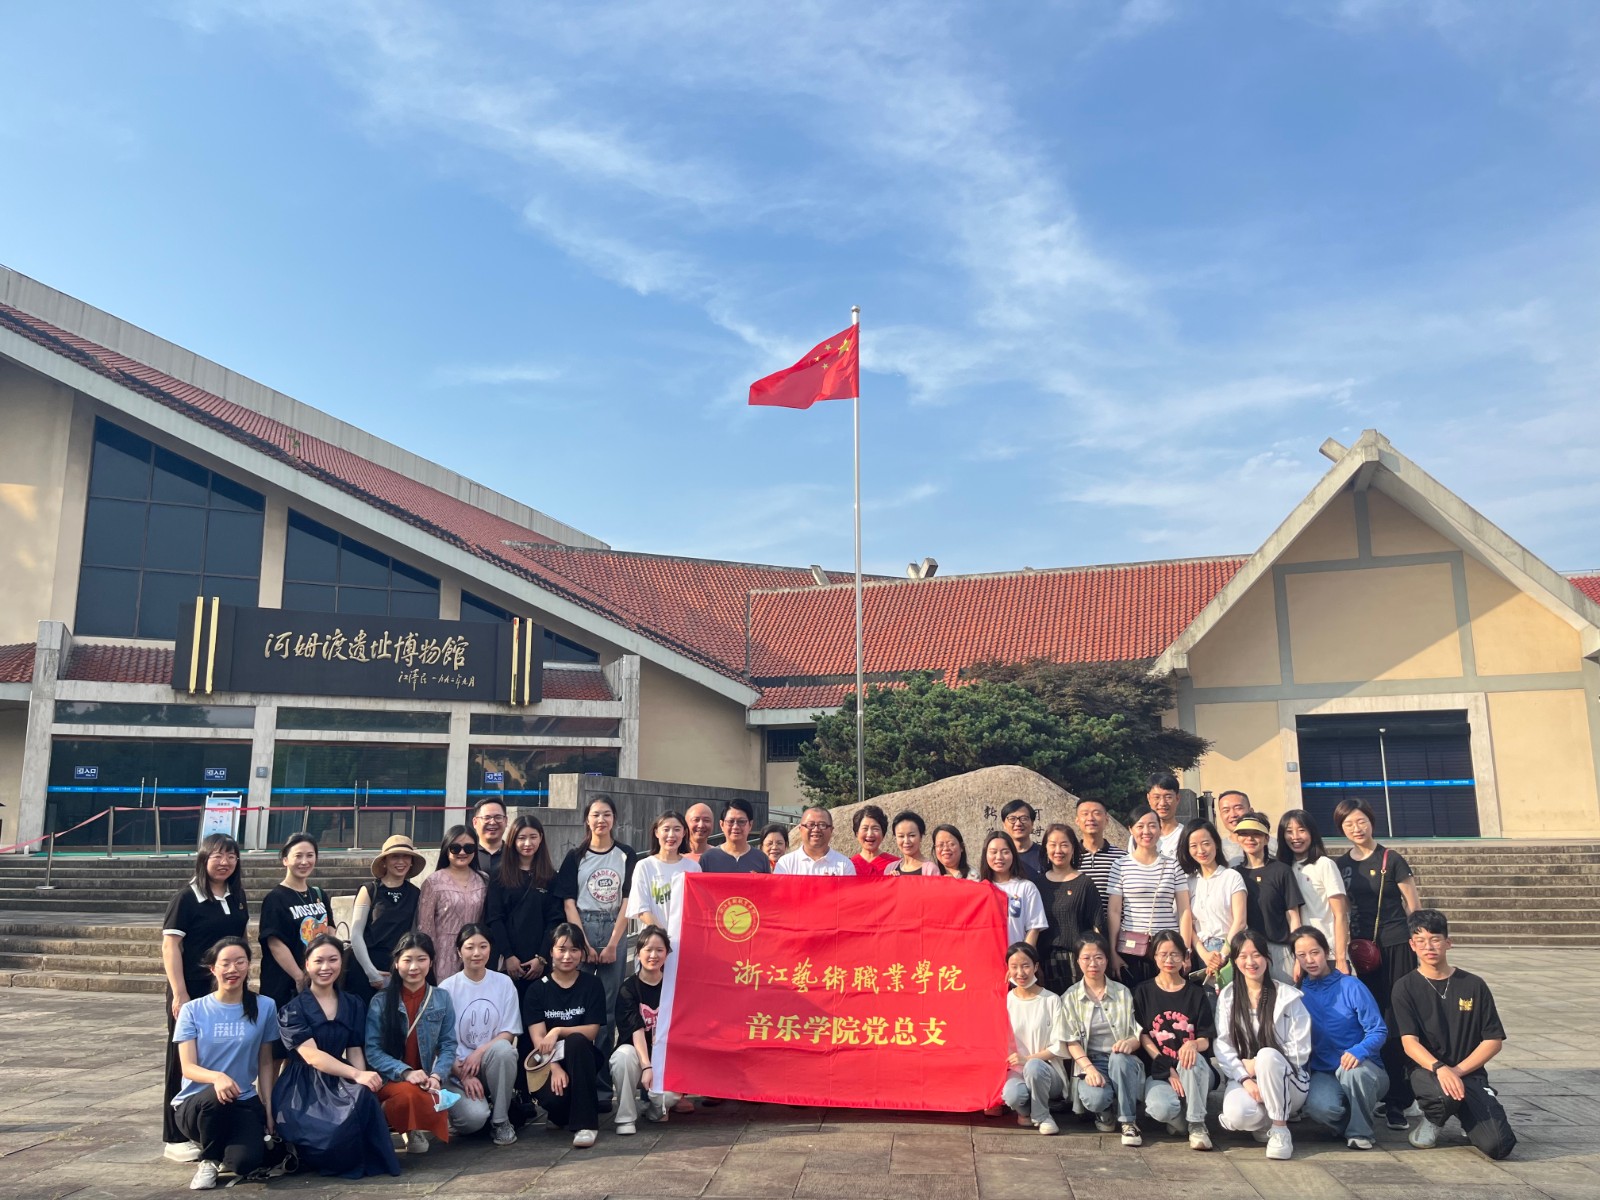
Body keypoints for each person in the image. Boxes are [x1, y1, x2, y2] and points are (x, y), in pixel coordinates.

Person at [275, 934, 401, 1177]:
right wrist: (356, 1074)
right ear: (307, 964)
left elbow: (354, 1049)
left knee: (363, 1097)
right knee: (331, 1133)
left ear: (341, 963)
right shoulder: (293, 1009)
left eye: (333, 960)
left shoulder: (353, 1003)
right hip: (303, 1085)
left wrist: (361, 1078)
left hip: (340, 1076)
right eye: (318, 961)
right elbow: (312, 1056)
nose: (326, 967)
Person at [1393, 910, 1516, 1159]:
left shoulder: (1473, 984)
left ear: (1448, 942)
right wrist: (1440, 1068)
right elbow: (1409, 1043)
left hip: (1468, 1072)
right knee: (1443, 1095)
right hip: (1427, 1071)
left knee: (1499, 1145)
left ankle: (1469, 1113)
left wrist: (1456, 1071)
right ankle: (1434, 1119)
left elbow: (1493, 1041)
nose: (1429, 947)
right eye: (1420, 941)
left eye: (1435, 939)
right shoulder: (1405, 987)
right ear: (1412, 945)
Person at [161, 833, 250, 1162]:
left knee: (221, 1055)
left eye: (231, 856)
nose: (225, 862)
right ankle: (174, 1135)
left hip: (227, 990)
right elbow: (171, 946)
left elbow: (241, 939)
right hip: (193, 990)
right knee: (182, 1060)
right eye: (217, 856)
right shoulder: (187, 897)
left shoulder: (237, 896)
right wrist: (180, 992)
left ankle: (209, 1129)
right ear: (203, 859)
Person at [1334, 797, 1421, 1131]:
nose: (1356, 829)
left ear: (1371, 821)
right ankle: (1381, 1085)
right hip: (1362, 951)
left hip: (1396, 944)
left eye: (1361, 821)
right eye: (1348, 824)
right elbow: (1342, 911)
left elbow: (1414, 906)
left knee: (1397, 1016)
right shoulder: (1341, 865)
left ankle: (1399, 1098)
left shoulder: (1391, 859)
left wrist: (1421, 944)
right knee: (1371, 1018)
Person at [170, 937, 278, 1190]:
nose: (233, 969)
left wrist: (268, 1107)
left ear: (248, 965)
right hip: (197, 1105)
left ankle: (221, 1151)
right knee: (215, 1096)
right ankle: (208, 1160)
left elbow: (265, 1063)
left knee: (246, 1162)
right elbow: (188, 1067)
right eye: (226, 963)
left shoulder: (265, 1006)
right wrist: (217, 1077)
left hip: (242, 1101)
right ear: (213, 968)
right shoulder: (193, 1010)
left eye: (240, 962)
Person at [554, 794, 638, 1097]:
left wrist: (613, 944)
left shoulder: (626, 854)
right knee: (578, 1006)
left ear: (614, 819)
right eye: (595, 815)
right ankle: (577, 1082)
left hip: (615, 926)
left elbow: (628, 900)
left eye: (606, 814)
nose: (601, 820)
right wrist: (584, 944)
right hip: (583, 927)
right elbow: (569, 902)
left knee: (607, 1010)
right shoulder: (575, 856)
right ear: (586, 820)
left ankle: (602, 1088)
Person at [1214, 929, 1312, 1160]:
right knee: (1236, 1114)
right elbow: (1224, 1045)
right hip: (1247, 1078)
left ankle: (1280, 1129)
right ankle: (1263, 1124)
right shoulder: (1228, 997)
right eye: (1243, 956)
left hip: (1289, 1080)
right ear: (1235, 961)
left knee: (1267, 1055)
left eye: (1256, 954)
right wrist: (1245, 1079)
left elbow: (1300, 1050)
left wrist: (1258, 1064)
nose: (1250, 962)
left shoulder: (1287, 996)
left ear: (1267, 958)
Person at [1293, 926, 1388, 1151]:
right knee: (1318, 1108)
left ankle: (1360, 1133)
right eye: (1302, 955)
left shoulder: (1351, 986)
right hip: (1325, 1072)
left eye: (1315, 952)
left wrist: (1359, 1051)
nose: (1310, 960)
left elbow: (1378, 1030)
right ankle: (1354, 1120)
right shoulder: (1297, 994)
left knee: (1353, 1073)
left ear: (1326, 951)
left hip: (1365, 1068)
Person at [365, 931, 457, 1154]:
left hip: (425, 1079)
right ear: (397, 963)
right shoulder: (380, 1001)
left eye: (421, 959)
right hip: (389, 1079)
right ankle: (392, 1117)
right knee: (408, 1095)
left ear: (431, 962)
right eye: (407, 960)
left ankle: (408, 1121)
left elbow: (448, 1044)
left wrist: (437, 1076)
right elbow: (372, 1051)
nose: (414, 967)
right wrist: (405, 1072)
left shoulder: (442, 998)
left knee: (449, 1104)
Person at [1050, 932, 1144, 1146]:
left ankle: (1128, 1122)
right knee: (1096, 1099)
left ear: (1107, 960)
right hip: (1091, 1061)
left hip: (1122, 1059)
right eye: (1086, 958)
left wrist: (1129, 1043)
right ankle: (1105, 1110)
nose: (1093, 963)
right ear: (1078, 961)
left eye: (1099, 957)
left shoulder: (1122, 992)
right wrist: (1089, 1069)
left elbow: (1137, 1033)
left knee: (1119, 1059)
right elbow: (1070, 1040)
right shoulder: (1070, 997)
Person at [522, 922, 606, 1148]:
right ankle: (563, 1114)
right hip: (548, 1062)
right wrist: (555, 1067)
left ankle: (586, 1125)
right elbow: (538, 1038)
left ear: (582, 953)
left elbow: (592, 1031)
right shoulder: (537, 990)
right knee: (557, 1104)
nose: (567, 956)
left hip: (582, 1058)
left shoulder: (592, 984)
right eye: (561, 949)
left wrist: (558, 1030)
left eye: (574, 950)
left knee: (576, 1040)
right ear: (551, 951)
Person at [438, 924, 522, 1146]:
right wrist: (463, 1074)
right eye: (469, 947)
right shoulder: (446, 989)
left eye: (483, 946)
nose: (476, 953)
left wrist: (479, 1053)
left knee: (505, 1050)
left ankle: (501, 1121)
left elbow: (508, 1032)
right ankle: (459, 1113)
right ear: (459, 951)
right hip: (456, 1069)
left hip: (488, 1062)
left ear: (490, 949)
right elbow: (440, 1042)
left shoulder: (504, 983)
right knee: (473, 1121)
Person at [1133, 930, 1215, 1151]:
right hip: (1160, 1070)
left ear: (1185, 957)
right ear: (1154, 956)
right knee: (1160, 1108)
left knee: (1191, 1059)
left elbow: (1206, 1039)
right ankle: (1181, 1122)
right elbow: (1143, 1035)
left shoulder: (1196, 993)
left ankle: (1197, 1125)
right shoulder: (1142, 992)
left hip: (1195, 1071)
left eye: (1175, 954)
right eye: (1163, 954)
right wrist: (1167, 1068)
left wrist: (1193, 1044)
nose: (1169, 960)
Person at [1107, 805, 1191, 987]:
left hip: (1168, 946)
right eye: (1140, 826)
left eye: (1152, 825)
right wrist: (1112, 952)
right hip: (1131, 948)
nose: (1146, 831)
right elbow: (1114, 911)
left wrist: (1185, 951)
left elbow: (1184, 910)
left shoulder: (1173, 865)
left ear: (1160, 829)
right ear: (1131, 829)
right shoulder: (1120, 866)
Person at [610, 926, 684, 1133]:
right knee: (622, 1057)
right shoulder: (628, 989)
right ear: (638, 952)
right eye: (648, 949)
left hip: (667, 1056)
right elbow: (637, 1030)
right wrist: (646, 1066)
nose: (653, 955)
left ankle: (654, 1110)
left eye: (659, 950)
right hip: (637, 1053)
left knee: (668, 1098)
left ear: (667, 954)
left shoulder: (674, 987)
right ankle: (626, 1117)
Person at [485, 814, 562, 991]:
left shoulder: (550, 876)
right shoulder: (499, 875)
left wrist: (541, 957)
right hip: (507, 961)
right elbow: (495, 918)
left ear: (541, 838)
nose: (528, 843)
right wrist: (508, 955)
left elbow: (554, 920)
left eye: (533, 837)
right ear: (513, 840)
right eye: (521, 838)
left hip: (539, 962)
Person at [258, 833, 333, 1013]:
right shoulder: (275, 898)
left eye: (310, 855)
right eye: (298, 856)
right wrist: (300, 977)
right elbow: (275, 943)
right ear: (285, 860)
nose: (304, 861)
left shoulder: (319, 894)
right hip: (285, 984)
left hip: (318, 979)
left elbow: (330, 928)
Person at [348, 835, 424, 1008]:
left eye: (406, 856)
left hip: (398, 968)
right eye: (395, 856)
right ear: (384, 861)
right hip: (366, 964)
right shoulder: (369, 890)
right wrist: (370, 971)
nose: (401, 861)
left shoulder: (415, 893)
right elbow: (356, 934)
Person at [998, 943, 1067, 1134]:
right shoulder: (1005, 1001)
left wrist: (1027, 1059)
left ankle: (1043, 1116)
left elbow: (1059, 1046)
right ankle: (1026, 1111)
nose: (1020, 973)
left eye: (1026, 966)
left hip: (1047, 1072)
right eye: (1014, 967)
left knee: (1034, 1066)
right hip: (1015, 1071)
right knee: (1012, 1095)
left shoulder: (1051, 1000)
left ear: (1036, 966)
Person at [1232, 814, 1303, 983]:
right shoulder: (1234, 874)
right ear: (1237, 839)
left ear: (1266, 839)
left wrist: (1298, 955)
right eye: (1244, 834)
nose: (1250, 839)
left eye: (1256, 834)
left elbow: (1293, 917)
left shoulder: (1282, 871)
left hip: (1280, 951)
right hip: (1247, 952)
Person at [1278, 810, 1350, 976]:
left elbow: (1340, 914)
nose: (1295, 837)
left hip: (1327, 954)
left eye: (1301, 830)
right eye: (1289, 831)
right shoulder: (1283, 869)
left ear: (1312, 833)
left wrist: (1340, 958)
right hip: (1300, 955)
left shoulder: (1324, 864)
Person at [1177, 818, 1246, 987]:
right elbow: (1188, 922)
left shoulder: (1231, 877)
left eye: (1206, 843)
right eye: (1193, 846)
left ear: (1216, 844)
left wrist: (1222, 955)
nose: (1201, 850)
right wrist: (1204, 954)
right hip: (1202, 954)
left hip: (1231, 949)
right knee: (1210, 1000)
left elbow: (1240, 921)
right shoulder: (1188, 882)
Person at [1036, 822, 1102, 993]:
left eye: (1064, 845)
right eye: (1053, 845)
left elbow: (1097, 926)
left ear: (1073, 848)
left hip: (1078, 961)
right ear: (1045, 848)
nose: (1058, 850)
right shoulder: (1037, 884)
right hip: (1045, 962)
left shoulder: (1085, 883)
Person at [418, 825, 488, 982]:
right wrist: (429, 959)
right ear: (446, 849)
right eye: (455, 848)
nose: (462, 852)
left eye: (468, 848)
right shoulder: (433, 882)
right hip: (443, 953)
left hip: (475, 953)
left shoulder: (483, 880)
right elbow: (425, 927)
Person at [626, 810, 702, 936]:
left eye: (677, 829)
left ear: (684, 833)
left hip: (684, 939)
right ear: (657, 832)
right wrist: (664, 937)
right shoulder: (644, 866)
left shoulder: (693, 868)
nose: (671, 835)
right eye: (666, 829)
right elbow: (641, 909)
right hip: (653, 940)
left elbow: (697, 909)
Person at [978, 831, 1048, 946]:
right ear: (985, 855)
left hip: (1017, 955)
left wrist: (1023, 954)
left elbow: (1034, 928)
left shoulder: (1026, 888)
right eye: (993, 852)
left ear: (1013, 855)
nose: (999, 857)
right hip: (988, 954)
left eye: (1005, 852)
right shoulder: (979, 890)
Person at [1074, 797, 1126, 927]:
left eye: (1096, 813)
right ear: (1077, 820)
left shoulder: (1122, 858)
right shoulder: (1070, 857)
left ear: (1106, 819)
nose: (1090, 818)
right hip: (1078, 932)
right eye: (1085, 814)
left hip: (1113, 930)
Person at [775, 807, 857, 876]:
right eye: (810, 825)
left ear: (831, 830)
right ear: (800, 829)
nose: (816, 829)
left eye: (822, 825)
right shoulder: (786, 863)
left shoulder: (844, 865)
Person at [699, 800, 771, 873]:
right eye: (730, 821)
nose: (735, 826)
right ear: (722, 824)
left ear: (750, 825)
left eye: (741, 821)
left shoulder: (761, 859)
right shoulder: (708, 858)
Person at [1217, 790, 1276, 865]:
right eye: (1226, 811)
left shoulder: (1273, 845)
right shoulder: (1217, 850)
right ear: (1221, 816)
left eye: (1238, 808)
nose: (1233, 815)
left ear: (1251, 811)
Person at [887, 810, 940, 877]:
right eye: (901, 836)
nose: (906, 841)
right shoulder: (890, 868)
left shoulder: (930, 869)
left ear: (920, 836)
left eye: (912, 835)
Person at [849, 804, 898, 877]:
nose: (870, 834)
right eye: (865, 828)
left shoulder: (896, 865)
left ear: (883, 833)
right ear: (857, 833)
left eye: (875, 829)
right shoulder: (848, 866)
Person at [1000, 800, 1044, 878]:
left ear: (1032, 823)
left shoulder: (1044, 854)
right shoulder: (999, 857)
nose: (1018, 824)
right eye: (1012, 819)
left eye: (1024, 818)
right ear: (1004, 824)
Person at [1146, 773, 1185, 858]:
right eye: (1157, 797)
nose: (1162, 803)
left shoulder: (1186, 836)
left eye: (1168, 797)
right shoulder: (1140, 837)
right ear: (1148, 798)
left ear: (1177, 798)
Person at [472, 798, 509, 877]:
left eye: (498, 817)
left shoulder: (515, 854)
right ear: (475, 822)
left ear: (506, 821)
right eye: (487, 818)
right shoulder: (467, 853)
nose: (492, 822)